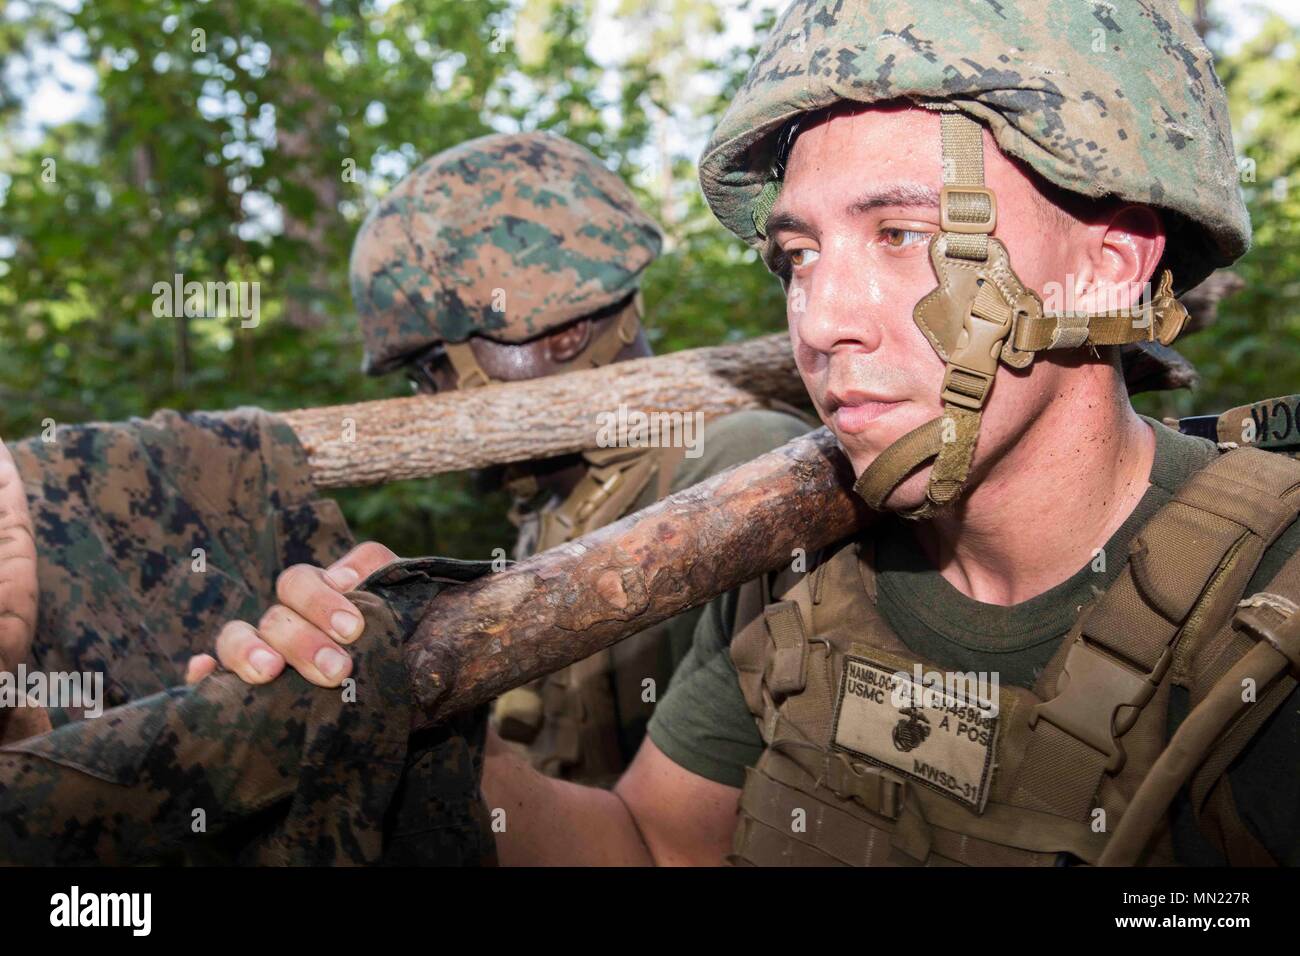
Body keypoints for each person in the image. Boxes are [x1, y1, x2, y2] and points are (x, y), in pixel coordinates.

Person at [214, 0, 1300, 867]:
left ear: (1109, 262)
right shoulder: (788, 557)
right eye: (798, 254)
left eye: (902, 233)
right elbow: (654, 842)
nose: (821, 319)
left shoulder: (1268, 633)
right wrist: (430, 730)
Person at [190, 130, 815, 786]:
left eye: (435, 367)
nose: (427, 401)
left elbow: (691, 837)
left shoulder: (736, 468)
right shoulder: (561, 509)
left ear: (565, 326)